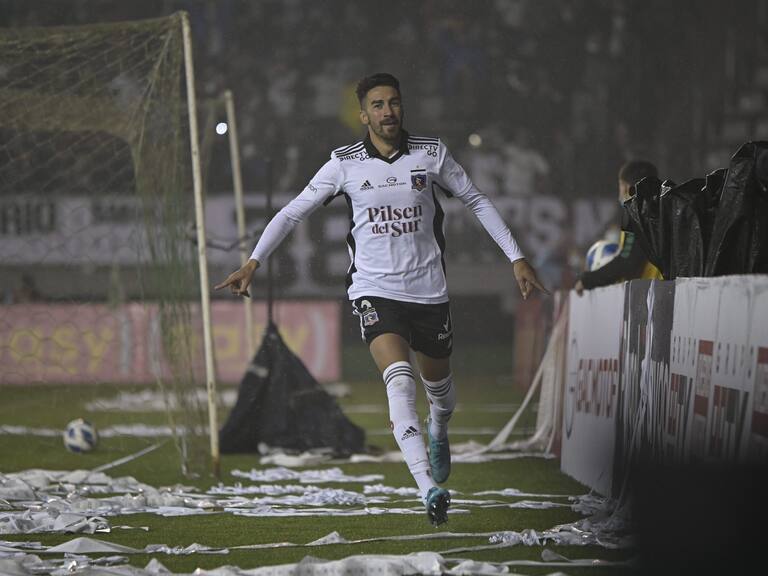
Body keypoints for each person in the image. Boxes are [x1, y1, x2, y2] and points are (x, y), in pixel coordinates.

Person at [215, 73, 547, 526]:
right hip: (375, 290)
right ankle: (427, 488)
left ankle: (439, 428)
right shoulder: (344, 163)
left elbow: (476, 199)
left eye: (393, 102)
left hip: (429, 292)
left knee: (441, 395)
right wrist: (253, 262)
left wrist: (517, 257)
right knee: (399, 380)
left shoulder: (432, 155)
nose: (387, 111)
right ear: (363, 114)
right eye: (377, 104)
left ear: (401, 107)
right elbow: (293, 211)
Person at [574, 159, 663, 294]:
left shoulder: (635, 211)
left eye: (620, 185)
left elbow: (628, 260)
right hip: (672, 287)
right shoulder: (666, 208)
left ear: (626, 187)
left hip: (651, 292)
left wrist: (587, 280)